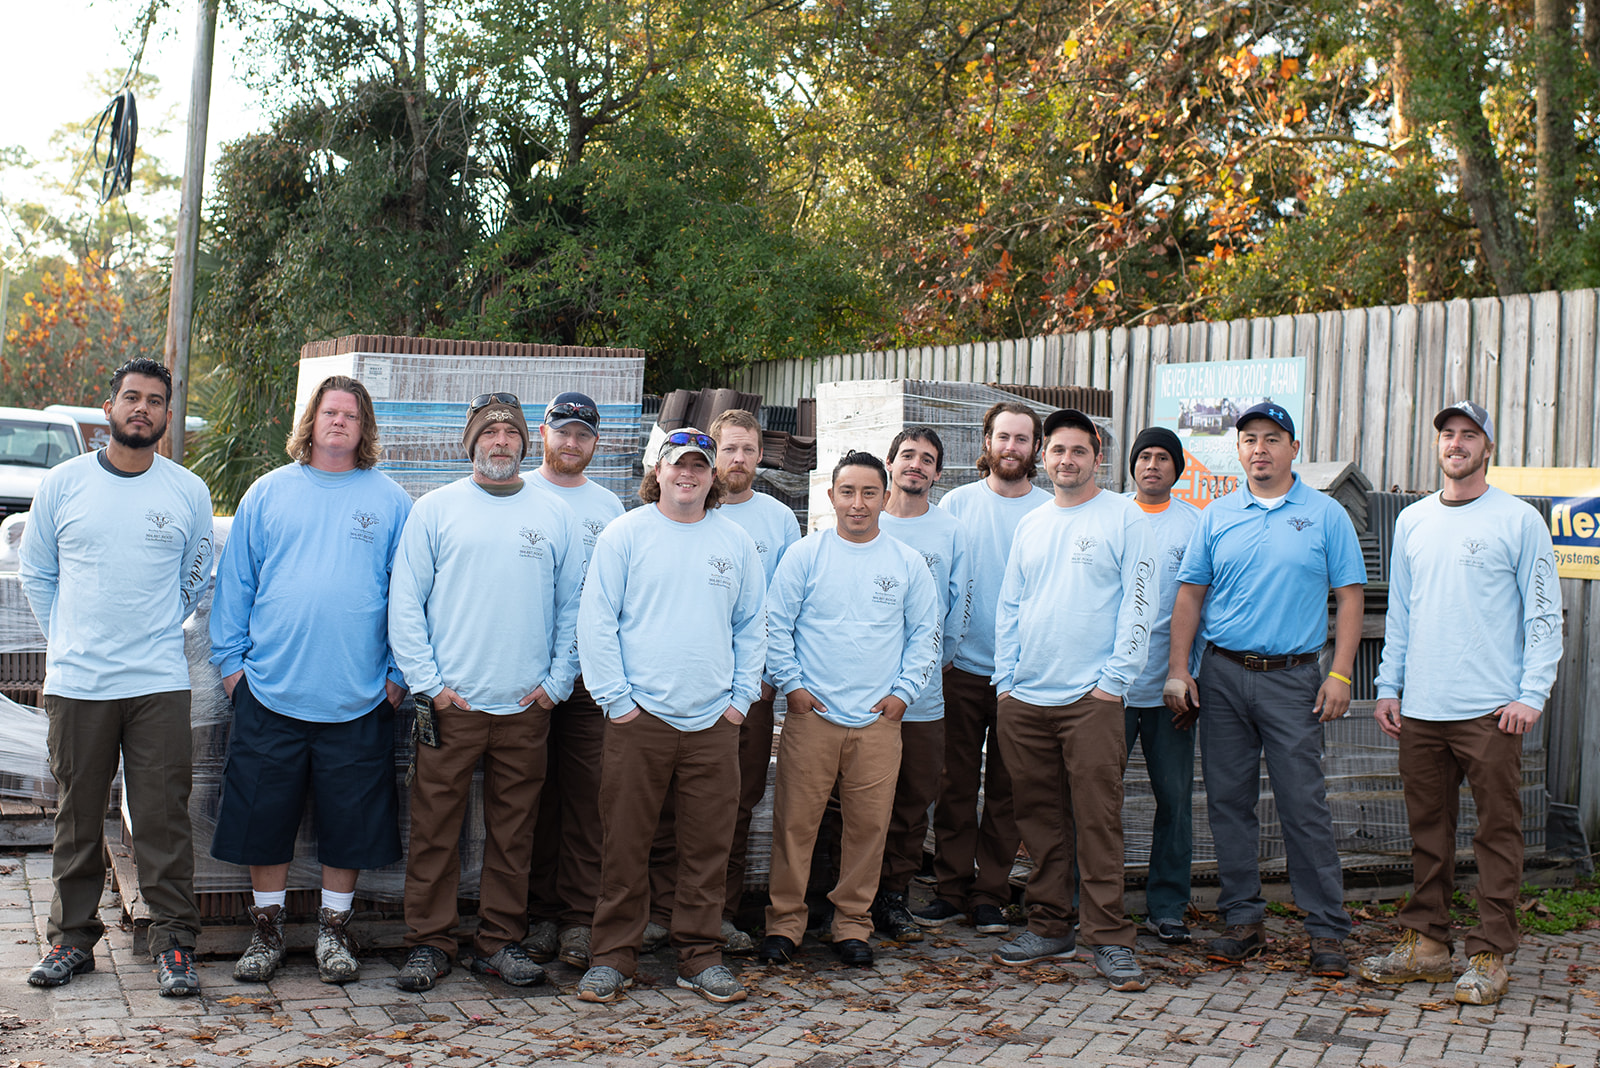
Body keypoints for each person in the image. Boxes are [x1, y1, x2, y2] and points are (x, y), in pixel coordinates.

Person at [19, 358, 214, 996]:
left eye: (155, 401)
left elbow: (195, 576)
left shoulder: (187, 490)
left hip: (158, 680)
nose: (142, 408)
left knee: (163, 818)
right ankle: (71, 941)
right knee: (77, 818)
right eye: (132, 397)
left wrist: (151, 624)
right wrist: (70, 638)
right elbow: (37, 572)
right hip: (79, 684)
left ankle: (174, 944)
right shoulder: (64, 484)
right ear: (109, 408)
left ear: (166, 416)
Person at [209, 375, 412, 984]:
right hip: (270, 691)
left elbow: (408, 597)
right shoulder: (269, 493)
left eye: (351, 414)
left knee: (351, 824)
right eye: (330, 412)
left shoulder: (391, 501)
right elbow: (235, 584)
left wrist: (396, 677)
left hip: (359, 696)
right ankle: (267, 932)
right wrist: (232, 670)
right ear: (311, 421)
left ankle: (333, 933)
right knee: (262, 819)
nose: (340, 421)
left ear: (364, 426)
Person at [1358, 400, 1561, 1005]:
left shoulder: (1518, 520)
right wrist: (1389, 685)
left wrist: (1532, 693)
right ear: (1438, 444)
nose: (1456, 443)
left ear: (1486, 448)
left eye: (1469, 434)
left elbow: (1544, 613)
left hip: (1491, 710)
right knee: (1428, 832)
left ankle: (1490, 952)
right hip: (1422, 708)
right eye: (1447, 433)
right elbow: (1402, 613)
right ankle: (1428, 944)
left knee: (1497, 832)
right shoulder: (1414, 520)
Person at [388, 394, 586, 992]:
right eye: (489, 432)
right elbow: (405, 603)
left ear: (526, 443)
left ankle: (500, 943)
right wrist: (430, 686)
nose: (500, 441)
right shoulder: (436, 510)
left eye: (511, 433)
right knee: (434, 831)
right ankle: (430, 943)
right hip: (451, 707)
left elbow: (574, 607)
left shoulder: (554, 514)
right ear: (470, 442)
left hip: (526, 708)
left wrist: (556, 684)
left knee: (514, 833)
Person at [1164, 401, 1366, 977]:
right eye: (1250, 438)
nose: (1260, 448)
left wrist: (1340, 673)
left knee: (1304, 806)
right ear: (1238, 449)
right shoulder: (1218, 515)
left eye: (1273, 438)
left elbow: (1350, 596)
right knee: (1228, 804)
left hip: (1294, 680)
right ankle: (1243, 921)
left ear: (1293, 449)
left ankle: (1326, 931)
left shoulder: (1325, 515)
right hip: (1223, 676)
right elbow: (1190, 596)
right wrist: (1179, 668)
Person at [575, 429, 766, 1005]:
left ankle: (700, 957)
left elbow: (751, 626)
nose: (688, 474)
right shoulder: (626, 534)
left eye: (700, 466)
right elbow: (597, 620)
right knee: (625, 845)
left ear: (713, 477)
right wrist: (617, 702)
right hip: (640, 720)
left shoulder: (735, 542)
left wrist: (739, 702)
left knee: (707, 848)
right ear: (657, 472)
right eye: (678, 464)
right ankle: (612, 957)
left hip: (713, 723)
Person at [990, 409, 1155, 991]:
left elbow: (1140, 604)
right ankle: (1050, 925)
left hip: (1092, 700)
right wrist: (1006, 682)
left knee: (1097, 821)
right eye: (1057, 450)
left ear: (1098, 458)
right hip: (1026, 699)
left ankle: (1109, 937)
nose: (1067, 460)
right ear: (1044, 456)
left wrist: (1113, 682)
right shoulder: (1032, 524)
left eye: (1079, 450)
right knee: (1040, 821)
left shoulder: (1124, 517)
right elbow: (1010, 605)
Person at [759, 450, 941, 968]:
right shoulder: (805, 555)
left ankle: (852, 925)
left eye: (868, 493)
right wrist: (793, 687)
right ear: (831, 496)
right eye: (847, 492)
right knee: (795, 826)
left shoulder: (906, 563)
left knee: (868, 828)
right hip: (811, 716)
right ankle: (785, 924)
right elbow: (776, 624)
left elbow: (925, 635)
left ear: (884, 497)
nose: (857, 503)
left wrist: (903, 695)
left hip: (878, 722)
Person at [646, 409, 802, 954]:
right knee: (667, 804)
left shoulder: (778, 520)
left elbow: (778, 610)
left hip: (746, 693)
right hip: (672, 693)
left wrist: (761, 681)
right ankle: (661, 911)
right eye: (729, 448)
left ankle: (721, 914)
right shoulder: (664, 519)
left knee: (734, 805)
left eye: (748, 450)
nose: (739, 459)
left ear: (760, 457)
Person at [914, 402, 1051, 933]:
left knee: (1008, 789)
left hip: (1024, 674)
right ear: (986, 442)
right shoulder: (957, 505)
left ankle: (990, 893)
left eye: (1022, 439)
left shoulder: (1048, 510)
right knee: (954, 784)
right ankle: (950, 889)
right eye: (1003, 437)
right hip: (962, 667)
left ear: (1035, 448)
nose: (1011, 448)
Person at [524, 391, 626, 969]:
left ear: (595, 443)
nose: (571, 442)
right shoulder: (519, 493)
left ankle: (579, 921)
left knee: (589, 800)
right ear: (543, 433)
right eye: (562, 430)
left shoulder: (609, 507)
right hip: (527, 673)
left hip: (591, 677)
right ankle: (539, 915)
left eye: (582, 434)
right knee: (533, 798)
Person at [871, 427, 970, 942]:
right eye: (907, 455)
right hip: (860, 692)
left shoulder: (950, 531)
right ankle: (841, 899)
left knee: (912, 801)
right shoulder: (864, 519)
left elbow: (959, 604)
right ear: (890, 463)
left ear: (938, 473)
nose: (916, 464)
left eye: (927, 459)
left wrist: (937, 661)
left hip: (923, 696)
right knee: (851, 801)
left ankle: (893, 898)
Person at [1122, 427, 1202, 943]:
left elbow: (1201, 604)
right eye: (1144, 456)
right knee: (1093, 800)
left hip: (1171, 688)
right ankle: (1086, 902)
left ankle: (1167, 906)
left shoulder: (1194, 524)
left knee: (1174, 799)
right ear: (1132, 465)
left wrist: (1188, 673)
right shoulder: (1111, 515)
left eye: (1163, 458)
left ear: (1177, 469)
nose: (1152, 465)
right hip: (1111, 689)